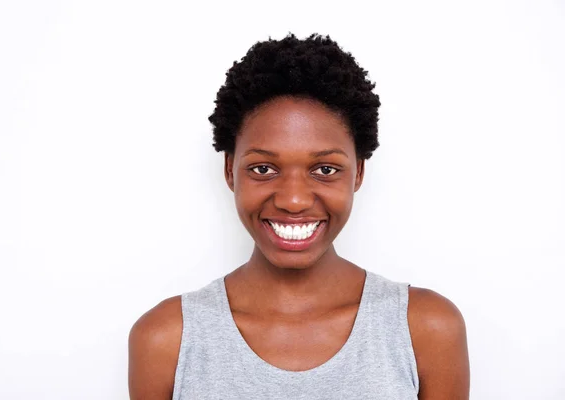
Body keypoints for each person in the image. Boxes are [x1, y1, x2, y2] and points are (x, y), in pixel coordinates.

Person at [128, 33, 470, 399]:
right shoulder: (167, 340)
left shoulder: (424, 329)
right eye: (263, 169)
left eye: (324, 170)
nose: (293, 201)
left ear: (358, 172)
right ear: (230, 170)